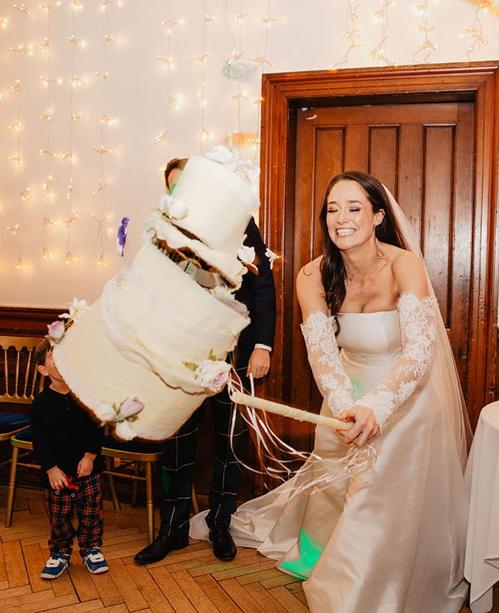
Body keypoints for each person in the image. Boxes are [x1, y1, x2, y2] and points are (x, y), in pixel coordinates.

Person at [189, 171, 472, 612]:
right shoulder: (311, 274)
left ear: (378, 216)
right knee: (333, 491)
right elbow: (322, 355)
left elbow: (419, 352)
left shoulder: (405, 266)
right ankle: (322, 557)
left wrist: (376, 408)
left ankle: (369, 588)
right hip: (343, 393)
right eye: (333, 209)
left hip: (405, 401)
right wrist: (346, 409)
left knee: (376, 499)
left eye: (354, 208)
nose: (341, 218)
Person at [134, 157, 277, 564]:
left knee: (231, 444)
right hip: (181, 353)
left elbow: (262, 287)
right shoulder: (162, 228)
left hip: (234, 352)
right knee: (176, 444)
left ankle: (221, 523)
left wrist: (261, 346)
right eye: (173, 188)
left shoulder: (240, 222)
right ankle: (173, 527)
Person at [31, 340, 108, 580]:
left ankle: (90, 548)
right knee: (58, 516)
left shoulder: (86, 395)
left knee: (91, 513)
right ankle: (60, 552)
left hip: (87, 470)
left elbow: (97, 428)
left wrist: (90, 456)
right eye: (55, 357)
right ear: (43, 370)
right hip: (58, 474)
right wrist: (51, 469)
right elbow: (40, 441)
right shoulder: (40, 405)